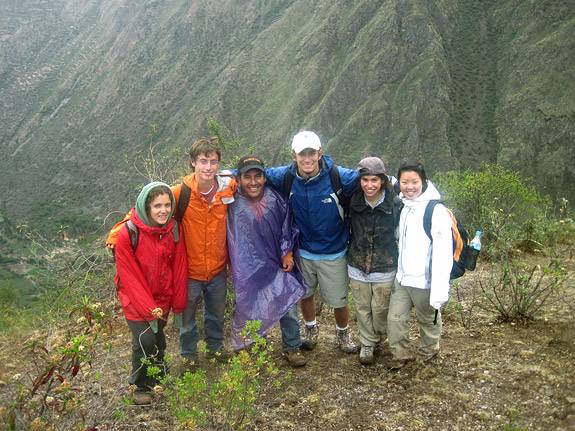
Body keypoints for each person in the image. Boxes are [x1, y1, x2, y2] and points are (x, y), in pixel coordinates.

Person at [266, 131, 359, 353]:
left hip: (334, 251)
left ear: (320, 153)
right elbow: (258, 173)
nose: (307, 159)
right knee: (305, 295)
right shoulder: (286, 177)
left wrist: (409, 188)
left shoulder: (338, 177)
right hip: (304, 251)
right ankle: (311, 329)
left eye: (311, 153)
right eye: (302, 154)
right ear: (294, 156)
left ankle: (343, 333)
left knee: (338, 299)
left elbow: (369, 178)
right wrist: (223, 176)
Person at [227, 156, 308, 367]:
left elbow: (287, 227)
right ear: (239, 178)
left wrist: (287, 251)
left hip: (278, 263)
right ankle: (256, 344)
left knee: (287, 301)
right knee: (250, 304)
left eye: (258, 176)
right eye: (248, 177)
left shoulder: (276, 199)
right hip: (248, 267)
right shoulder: (231, 202)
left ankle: (292, 346)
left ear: (264, 177)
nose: (253, 182)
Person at [114, 182, 188, 405]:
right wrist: (149, 308)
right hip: (134, 299)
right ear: (146, 207)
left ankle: (158, 374)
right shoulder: (128, 233)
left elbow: (179, 265)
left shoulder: (173, 229)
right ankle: (140, 385)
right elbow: (129, 276)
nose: (163, 210)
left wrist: (178, 302)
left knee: (157, 338)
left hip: (162, 298)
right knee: (144, 339)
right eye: (157, 206)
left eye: (167, 205)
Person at [175, 137, 236, 366]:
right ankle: (188, 356)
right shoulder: (180, 193)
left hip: (217, 269)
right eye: (203, 161)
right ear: (193, 163)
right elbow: (149, 209)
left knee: (215, 314)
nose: (208, 167)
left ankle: (215, 348)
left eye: (213, 162)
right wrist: (118, 235)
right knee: (187, 319)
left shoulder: (227, 188)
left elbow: (250, 184)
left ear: (218, 164)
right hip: (190, 271)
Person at [387, 161, 453, 370]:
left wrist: (440, 290)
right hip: (403, 278)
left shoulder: (435, 210)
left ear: (423, 182)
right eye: (405, 182)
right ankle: (401, 354)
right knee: (395, 319)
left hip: (425, 280)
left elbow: (443, 253)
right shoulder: (405, 205)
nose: (409, 187)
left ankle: (429, 352)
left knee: (428, 320)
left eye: (414, 182)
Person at [347, 157, 400, 365]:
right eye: (365, 180)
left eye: (374, 180)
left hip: (384, 265)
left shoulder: (395, 202)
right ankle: (367, 343)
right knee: (362, 307)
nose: (369, 185)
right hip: (357, 263)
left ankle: (379, 336)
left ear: (383, 181)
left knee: (380, 309)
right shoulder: (353, 200)